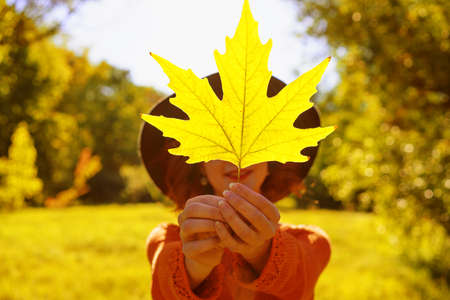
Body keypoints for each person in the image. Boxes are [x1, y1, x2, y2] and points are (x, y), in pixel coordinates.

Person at [139, 73, 331, 299]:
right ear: (199, 165)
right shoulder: (170, 241)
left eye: (257, 142)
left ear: (273, 159)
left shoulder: (307, 243)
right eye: (214, 147)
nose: (233, 159)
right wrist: (195, 265)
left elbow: (300, 280)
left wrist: (261, 250)